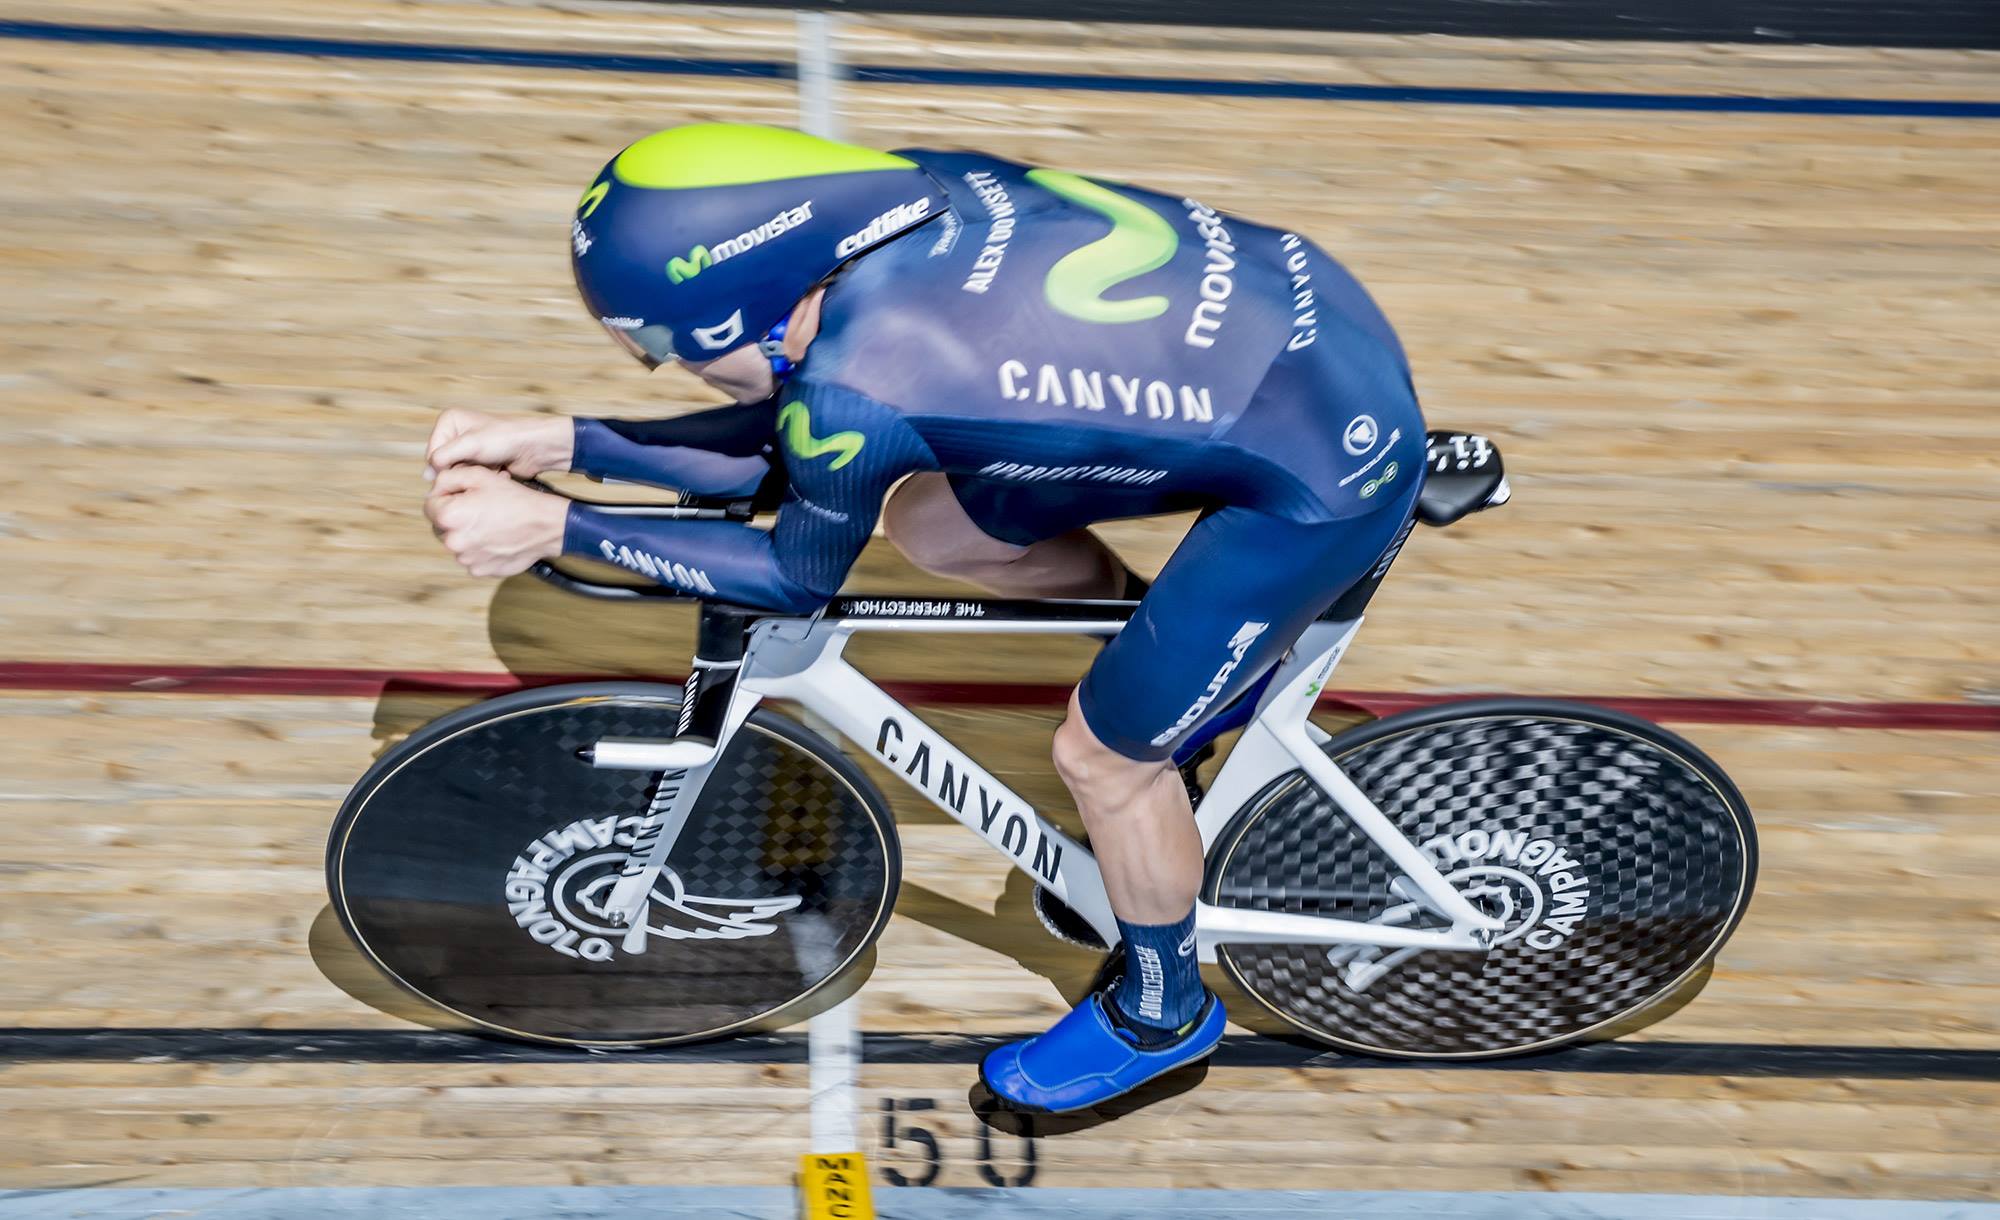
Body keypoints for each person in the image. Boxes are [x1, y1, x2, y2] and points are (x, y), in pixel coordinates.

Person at [423, 123, 1424, 1113]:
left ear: (751, 303)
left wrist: (556, 523)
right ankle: (1175, 684)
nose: (660, 366)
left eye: (657, 346)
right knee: (935, 521)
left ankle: (1161, 1014)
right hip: (1302, 327)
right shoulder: (902, 203)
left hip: (1320, 473)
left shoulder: (869, 375)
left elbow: (792, 571)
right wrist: (560, 441)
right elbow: (797, 427)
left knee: (1103, 761)